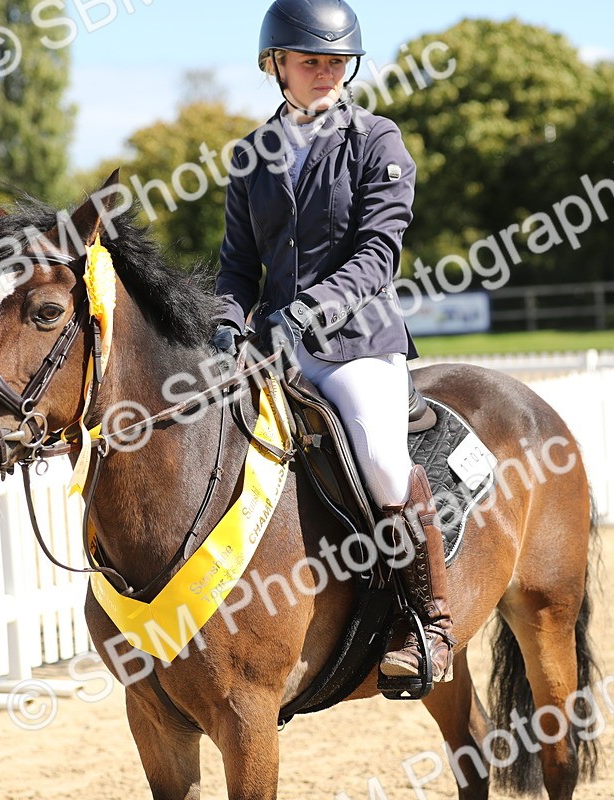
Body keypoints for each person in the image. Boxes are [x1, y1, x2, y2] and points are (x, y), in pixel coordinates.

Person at [210, 0, 455, 684]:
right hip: (273, 344)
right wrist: (228, 319)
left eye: (334, 62)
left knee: (379, 458)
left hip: (355, 341)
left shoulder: (377, 140)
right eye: (309, 61)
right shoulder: (249, 155)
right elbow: (236, 264)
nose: (324, 73)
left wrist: (309, 309)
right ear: (277, 66)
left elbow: (379, 252)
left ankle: (426, 621)